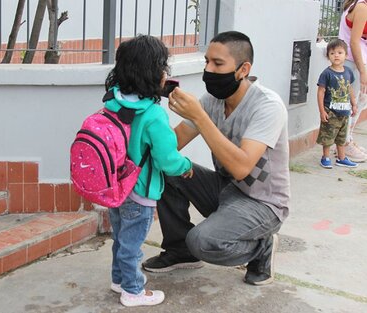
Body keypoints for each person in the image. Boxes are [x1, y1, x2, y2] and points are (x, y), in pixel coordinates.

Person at [141, 31, 290, 286]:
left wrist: (200, 117)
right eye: (207, 62)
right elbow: (173, 144)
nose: (208, 70)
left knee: (203, 241)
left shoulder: (267, 106)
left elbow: (242, 167)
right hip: (226, 189)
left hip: (263, 203)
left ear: (243, 69)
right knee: (167, 167)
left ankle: (261, 249)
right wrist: (148, 109)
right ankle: (179, 250)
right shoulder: (211, 100)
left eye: (218, 64)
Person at [104, 35, 193, 307]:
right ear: (154, 72)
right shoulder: (154, 115)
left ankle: (118, 280)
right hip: (140, 192)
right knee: (132, 246)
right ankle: (133, 291)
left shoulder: (112, 101)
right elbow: (167, 159)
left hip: (116, 188)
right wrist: (186, 166)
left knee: (120, 239)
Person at [317, 39, 358, 169]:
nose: (336, 55)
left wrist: (354, 104)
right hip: (331, 112)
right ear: (328, 56)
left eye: (340, 52)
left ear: (346, 55)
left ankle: (341, 158)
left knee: (342, 137)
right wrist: (322, 111)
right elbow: (321, 92)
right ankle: (325, 157)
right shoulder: (327, 73)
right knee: (328, 136)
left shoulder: (348, 72)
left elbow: (349, 88)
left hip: (345, 112)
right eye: (332, 53)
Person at [338, 0, 367, 162]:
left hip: (353, 61)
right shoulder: (361, 7)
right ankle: (345, 143)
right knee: (354, 103)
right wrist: (363, 71)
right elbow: (354, 41)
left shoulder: (355, 4)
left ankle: (346, 140)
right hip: (354, 62)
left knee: (354, 102)